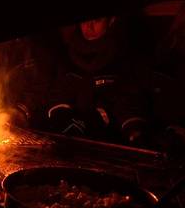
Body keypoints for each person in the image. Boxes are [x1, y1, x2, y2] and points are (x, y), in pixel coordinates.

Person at [45, 16, 151, 145]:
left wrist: (133, 129)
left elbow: (129, 101)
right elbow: (57, 93)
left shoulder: (124, 56)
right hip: (70, 137)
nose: (88, 27)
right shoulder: (65, 54)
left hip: (109, 140)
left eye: (96, 20)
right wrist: (62, 115)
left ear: (111, 20)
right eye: (84, 20)